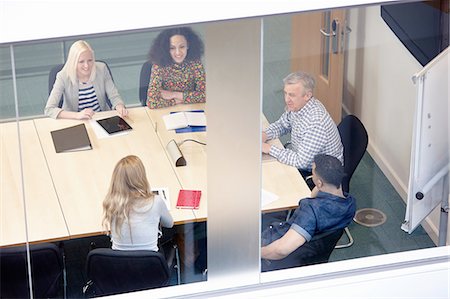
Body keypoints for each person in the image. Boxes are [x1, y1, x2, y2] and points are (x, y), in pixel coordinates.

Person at [261, 154, 356, 262]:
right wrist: (320, 184)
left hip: (275, 247)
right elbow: (314, 194)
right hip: (312, 255)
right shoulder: (350, 204)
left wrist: (256, 253)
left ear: (319, 183)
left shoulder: (310, 210)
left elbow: (281, 250)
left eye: (313, 174)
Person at [262, 71, 343, 175]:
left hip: (321, 175)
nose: (287, 99)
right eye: (285, 93)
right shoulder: (298, 106)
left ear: (307, 95)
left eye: (291, 95)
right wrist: (265, 134)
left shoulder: (316, 123)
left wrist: (269, 149)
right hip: (303, 158)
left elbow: (301, 162)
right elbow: (283, 124)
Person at [102, 155, 173, 251]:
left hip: (119, 263)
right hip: (150, 262)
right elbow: (169, 224)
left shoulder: (112, 204)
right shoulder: (156, 202)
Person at [45, 40, 128, 119]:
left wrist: (120, 106)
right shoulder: (63, 76)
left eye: (90, 60)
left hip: (101, 119)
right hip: (75, 122)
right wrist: (77, 115)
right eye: (81, 62)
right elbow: (49, 109)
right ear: (73, 62)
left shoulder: (102, 69)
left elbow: (114, 96)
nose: (86, 66)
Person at [146, 27, 206, 109]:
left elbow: (205, 95)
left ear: (188, 45)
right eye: (172, 48)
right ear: (166, 49)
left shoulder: (195, 63)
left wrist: (174, 95)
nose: (178, 53)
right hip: (167, 111)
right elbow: (151, 102)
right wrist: (177, 101)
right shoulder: (159, 65)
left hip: (192, 108)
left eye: (182, 47)